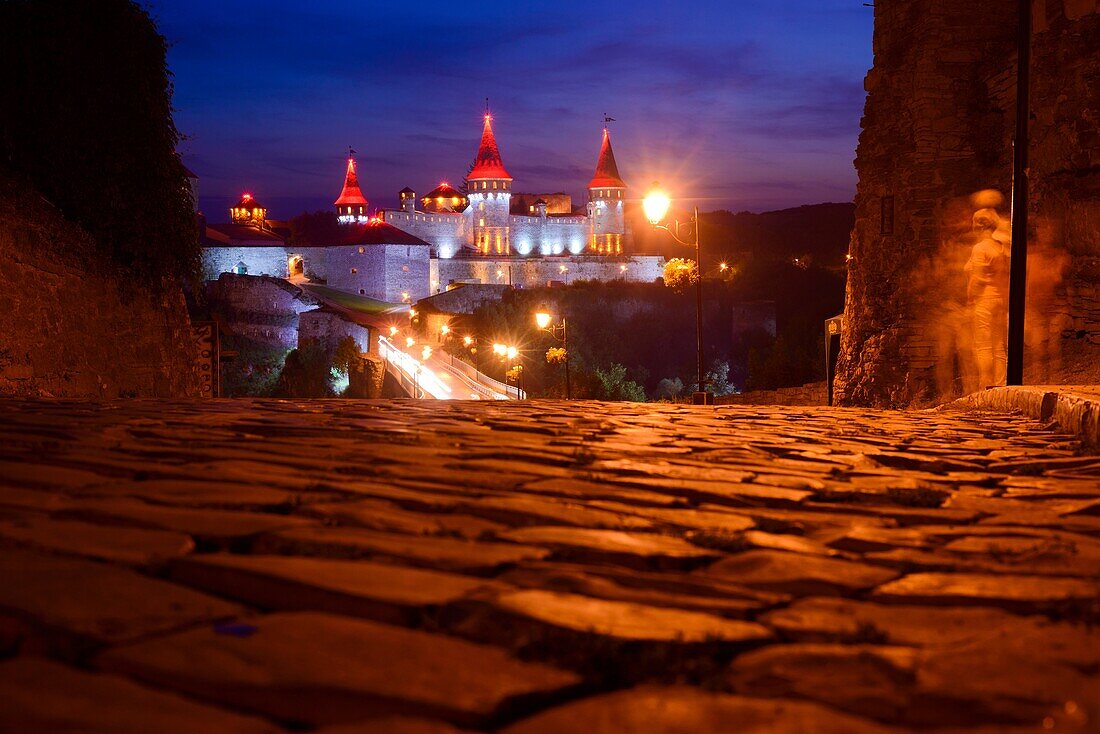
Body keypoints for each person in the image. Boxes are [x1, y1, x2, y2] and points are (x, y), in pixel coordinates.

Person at [965, 208, 1009, 387]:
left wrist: (970, 299)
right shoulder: (1000, 247)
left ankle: (985, 385)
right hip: (999, 298)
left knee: (983, 345)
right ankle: (1000, 383)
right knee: (998, 344)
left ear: (979, 226)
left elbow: (977, 278)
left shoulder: (980, 248)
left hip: (984, 299)